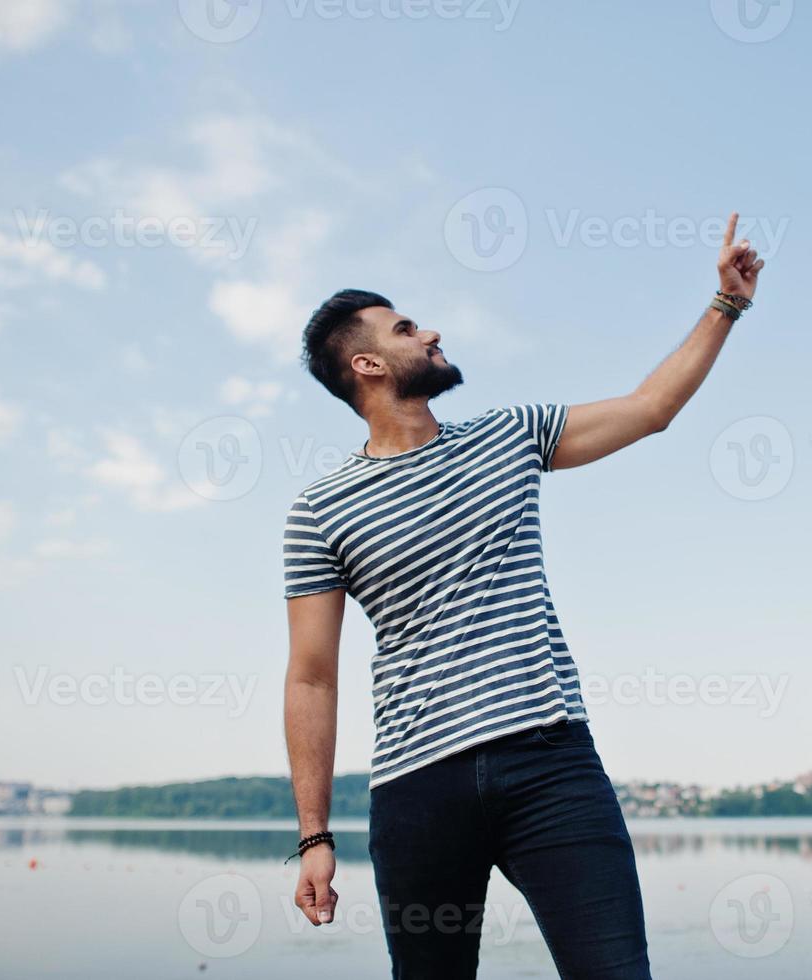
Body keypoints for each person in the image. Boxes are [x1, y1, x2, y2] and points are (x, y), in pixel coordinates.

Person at [283, 212, 764, 978]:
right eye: (407, 327)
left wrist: (726, 304)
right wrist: (314, 835)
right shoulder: (320, 510)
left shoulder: (509, 435)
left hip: (551, 767)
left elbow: (649, 409)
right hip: (417, 788)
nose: (431, 332)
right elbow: (311, 674)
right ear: (368, 366)